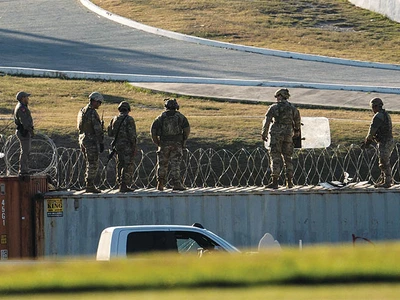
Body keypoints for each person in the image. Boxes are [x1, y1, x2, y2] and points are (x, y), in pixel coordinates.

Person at [261, 88, 301, 189]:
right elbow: (297, 121)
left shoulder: (274, 108)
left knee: (275, 157)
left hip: (276, 134)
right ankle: (290, 181)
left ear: (280, 96)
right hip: (288, 134)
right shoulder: (293, 108)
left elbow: (267, 121)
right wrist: (296, 131)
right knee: (288, 157)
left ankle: (275, 181)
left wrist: (264, 133)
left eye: (277, 96)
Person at [150, 98, 190, 191]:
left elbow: (153, 131)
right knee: (175, 164)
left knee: (162, 164)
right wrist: (184, 140)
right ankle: (176, 183)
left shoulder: (160, 117)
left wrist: (157, 142)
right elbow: (187, 130)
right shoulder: (180, 117)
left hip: (164, 143)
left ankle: (160, 183)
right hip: (176, 143)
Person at [77, 92, 104, 193]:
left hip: (83, 138)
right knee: (93, 163)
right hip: (90, 140)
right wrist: (101, 142)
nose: (99, 105)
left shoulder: (82, 110)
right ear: (94, 101)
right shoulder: (92, 112)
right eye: (99, 102)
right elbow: (97, 129)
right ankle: (90, 185)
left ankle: (89, 183)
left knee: (89, 162)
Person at [107, 101, 137, 192]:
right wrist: (134, 146)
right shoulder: (129, 119)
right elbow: (132, 135)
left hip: (117, 145)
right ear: (128, 110)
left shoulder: (114, 119)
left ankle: (119, 182)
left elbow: (110, 133)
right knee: (127, 164)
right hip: (127, 145)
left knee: (120, 164)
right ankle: (124, 184)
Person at [364, 97, 394, 188]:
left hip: (384, 141)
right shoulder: (386, 115)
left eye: (373, 107)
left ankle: (387, 181)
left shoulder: (378, 116)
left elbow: (372, 130)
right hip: (389, 140)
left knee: (383, 162)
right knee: (383, 161)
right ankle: (384, 180)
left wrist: (368, 140)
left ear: (375, 106)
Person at [14, 91, 34, 176]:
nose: (28, 98)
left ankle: (25, 169)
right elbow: (24, 122)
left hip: (23, 131)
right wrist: (30, 130)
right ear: (23, 98)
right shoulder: (22, 108)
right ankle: (23, 170)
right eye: (26, 97)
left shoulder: (22, 107)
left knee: (26, 151)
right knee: (25, 151)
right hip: (24, 132)